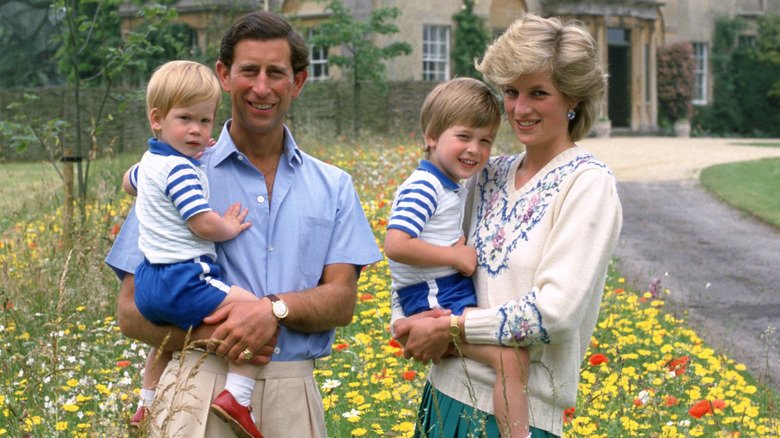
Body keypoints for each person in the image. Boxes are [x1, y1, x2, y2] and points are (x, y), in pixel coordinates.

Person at [105, 11, 382, 438]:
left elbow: (342, 301)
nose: (261, 87)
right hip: (193, 390)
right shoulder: (173, 170)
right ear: (224, 76)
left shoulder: (334, 186)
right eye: (248, 71)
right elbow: (129, 311)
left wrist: (272, 310)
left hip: (294, 396)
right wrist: (216, 336)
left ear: (299, 82)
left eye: (276, 73)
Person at [392, 13, 623, 438]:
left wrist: (450, 328)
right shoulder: (485, 173)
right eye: (512, 92)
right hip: (445, 397)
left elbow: (555, 315)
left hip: (522, 418)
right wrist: (403, 320)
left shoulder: (587, 184)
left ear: (573, 99)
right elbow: (422, 251)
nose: (520, 108)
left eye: (539, 92)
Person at [121, 59, 268, 438]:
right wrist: (229, 226)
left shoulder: (151, 161)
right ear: (157, 119)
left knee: (165, 345)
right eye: (186, 119)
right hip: (185, 276)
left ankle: (146, 404)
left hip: (148, 282)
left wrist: (190, 152)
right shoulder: (182, 171)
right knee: (256, 314)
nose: (196, 131)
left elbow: (128, 182)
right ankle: (238, 396)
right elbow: (200, 222)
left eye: (205, 122)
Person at [384, 77, 530, 438]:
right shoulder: (424, 186)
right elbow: (396, 244)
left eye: (485, 141)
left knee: (510, 355)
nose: (475, 150)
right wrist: (455, 256)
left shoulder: (450, 184)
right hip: (435, 297)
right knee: (511, 357)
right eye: (464, 137)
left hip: (441, 293)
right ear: (432, 136)